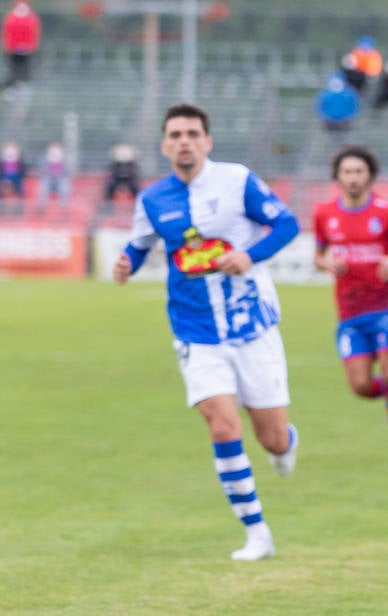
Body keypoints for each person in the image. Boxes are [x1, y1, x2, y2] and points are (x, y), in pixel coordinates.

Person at [112, 103, 301, 563]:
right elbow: (139, 245)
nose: (184, 141)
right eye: (175, 134)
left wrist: (250, 256)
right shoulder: (153, 199)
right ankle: (257, 532)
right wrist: (125, 263)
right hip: (195, 331)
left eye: (192, 133)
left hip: (252, 325)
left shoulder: (237, 180)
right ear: (164, 145)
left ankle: (285, 443)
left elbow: (287, 224)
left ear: (207, 141)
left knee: (271, 437)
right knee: (221, 424)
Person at [313, 146, 388, 470]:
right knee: (361, 387)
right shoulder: (324, 214)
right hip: (350, 311)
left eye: (359, 171)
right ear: (338, 177)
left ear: (370, 176)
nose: (353, 177)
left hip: (387, 307)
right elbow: (318, 256)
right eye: (347, 172)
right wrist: (327, 264)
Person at [0, 0, 42, 89]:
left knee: (25, 69)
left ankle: (23, 87)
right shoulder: (10, 18)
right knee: (13, 69)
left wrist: (31, 46)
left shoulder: (32, 18)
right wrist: (8, 46)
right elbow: (7, 33)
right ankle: (12, 87)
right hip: (13, 49)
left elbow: (34, 33)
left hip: (27, 50)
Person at [0, 140, 27, 215]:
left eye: (13, 151)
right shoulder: (0, 163)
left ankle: (19, 209)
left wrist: (13, 179)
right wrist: (5, 181)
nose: (10, 153)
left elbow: (23, 175)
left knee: (21, 189)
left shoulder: (20, 163)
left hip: (16, 181)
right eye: (8, 151)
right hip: (3, 181)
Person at [37, 141, 70, 211]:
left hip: (60, 180)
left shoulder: (65, 161)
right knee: (42, 187)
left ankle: (64, 207)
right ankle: (42, 206)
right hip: (48, 180)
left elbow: (67, 174)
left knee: (65, 186)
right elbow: (42, 172)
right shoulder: (44, 160)